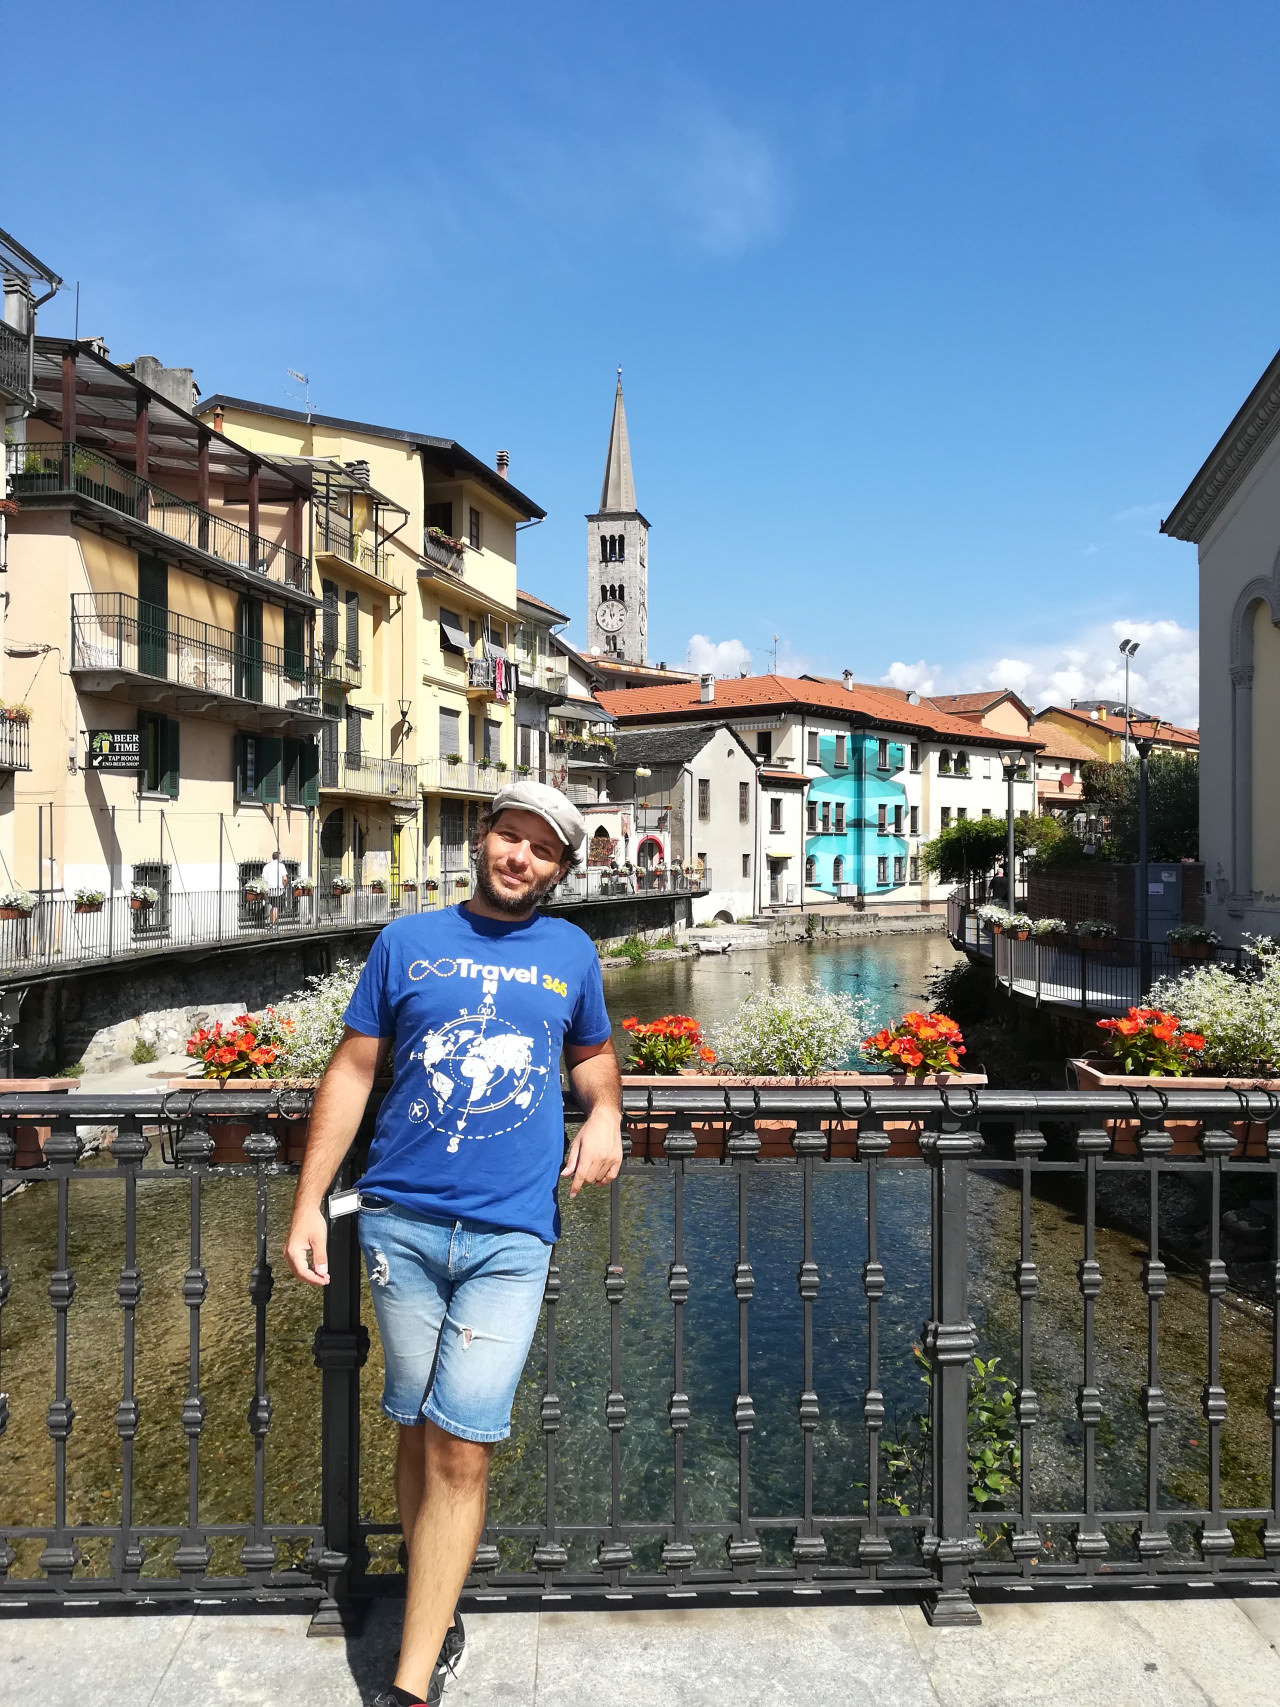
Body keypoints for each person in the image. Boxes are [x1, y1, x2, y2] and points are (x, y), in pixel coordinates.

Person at [284, 781, 622, 1707]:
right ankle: (436, 1606)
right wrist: (311, 1200)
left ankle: (408, 1681)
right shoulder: (407, 943)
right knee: (417, 1422)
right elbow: (353, 1070)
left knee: (462, 1442)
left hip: (513, 1235)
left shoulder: (571, 952)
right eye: (510, 838)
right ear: (484, 839)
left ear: (560, 868)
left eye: (542, 850)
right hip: (399, 1224)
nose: (521, 858)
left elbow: (592, 1056)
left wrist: (607, 1111)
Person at [260, 850, 289, 926]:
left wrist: (265, 888)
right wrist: (285, 886)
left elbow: (263, 879)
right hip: (278, 889)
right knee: (276, 907)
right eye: (281, 856)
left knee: (272, 906)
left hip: (269, 889)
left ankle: (270, 923)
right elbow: (285, 879)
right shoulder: (281, 866)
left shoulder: (266, 866)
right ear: (279, 857)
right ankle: (273, 924)